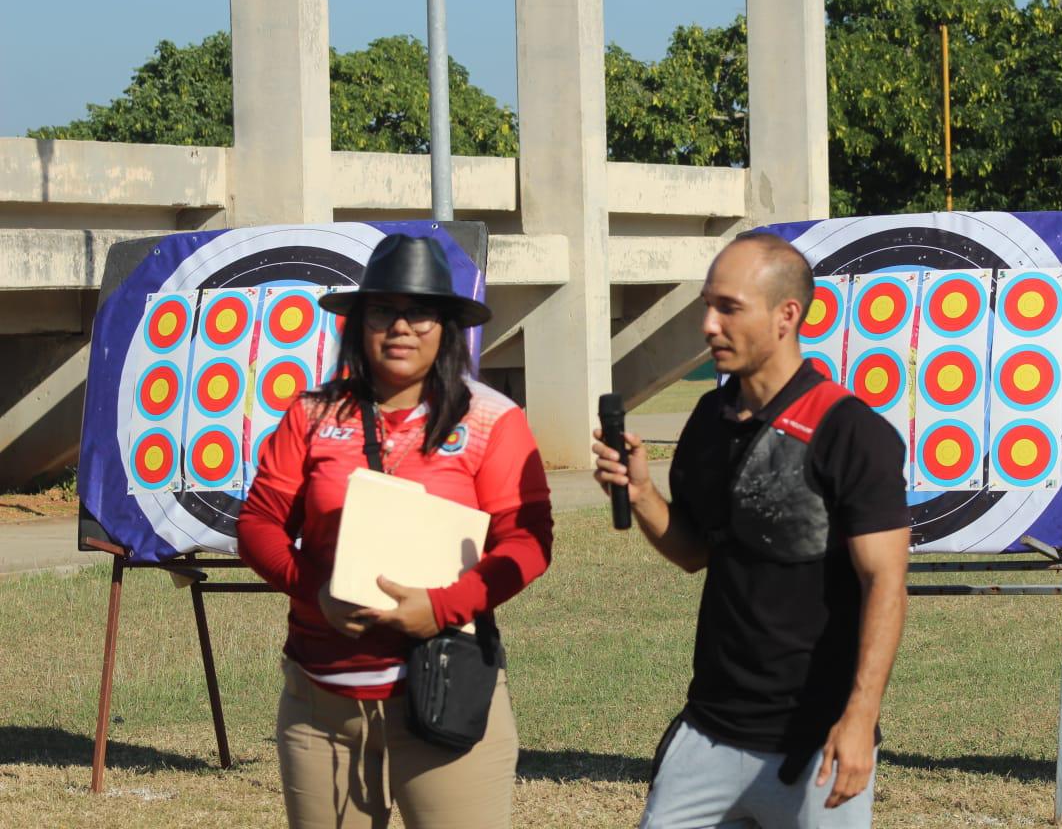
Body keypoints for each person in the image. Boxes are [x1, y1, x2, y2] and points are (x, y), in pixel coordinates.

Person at [592, 232, 911, 829]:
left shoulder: (850, 431)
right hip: (708, 728)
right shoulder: (709, 419)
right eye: (707, 306)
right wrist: (640, 494)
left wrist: (860, 719)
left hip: (814, 745)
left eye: (729, 308)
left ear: (787, 315)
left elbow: (886, 583)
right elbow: (694, 552)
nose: (709, 324)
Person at [238, 233, 553, 829]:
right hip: (320, 705)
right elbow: (258, 522)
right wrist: (315, 591)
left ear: (447, 328)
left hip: (443, 693)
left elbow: (529, 538)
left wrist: (442, 607)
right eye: (383, 310)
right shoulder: (310, 414)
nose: (401, 327)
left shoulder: (492, 419)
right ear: (358, 323)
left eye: (421, 312)